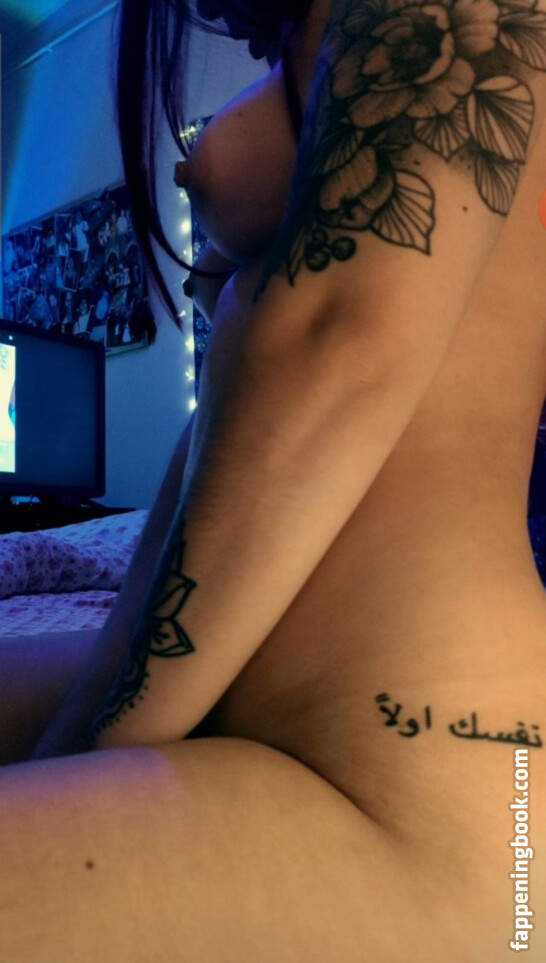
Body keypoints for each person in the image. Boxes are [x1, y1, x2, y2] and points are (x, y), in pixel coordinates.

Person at [1, 0, 546, 959]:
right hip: (276, 706)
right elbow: (237, 431)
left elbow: (337, 347)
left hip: (413, 793)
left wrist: (85, 756)